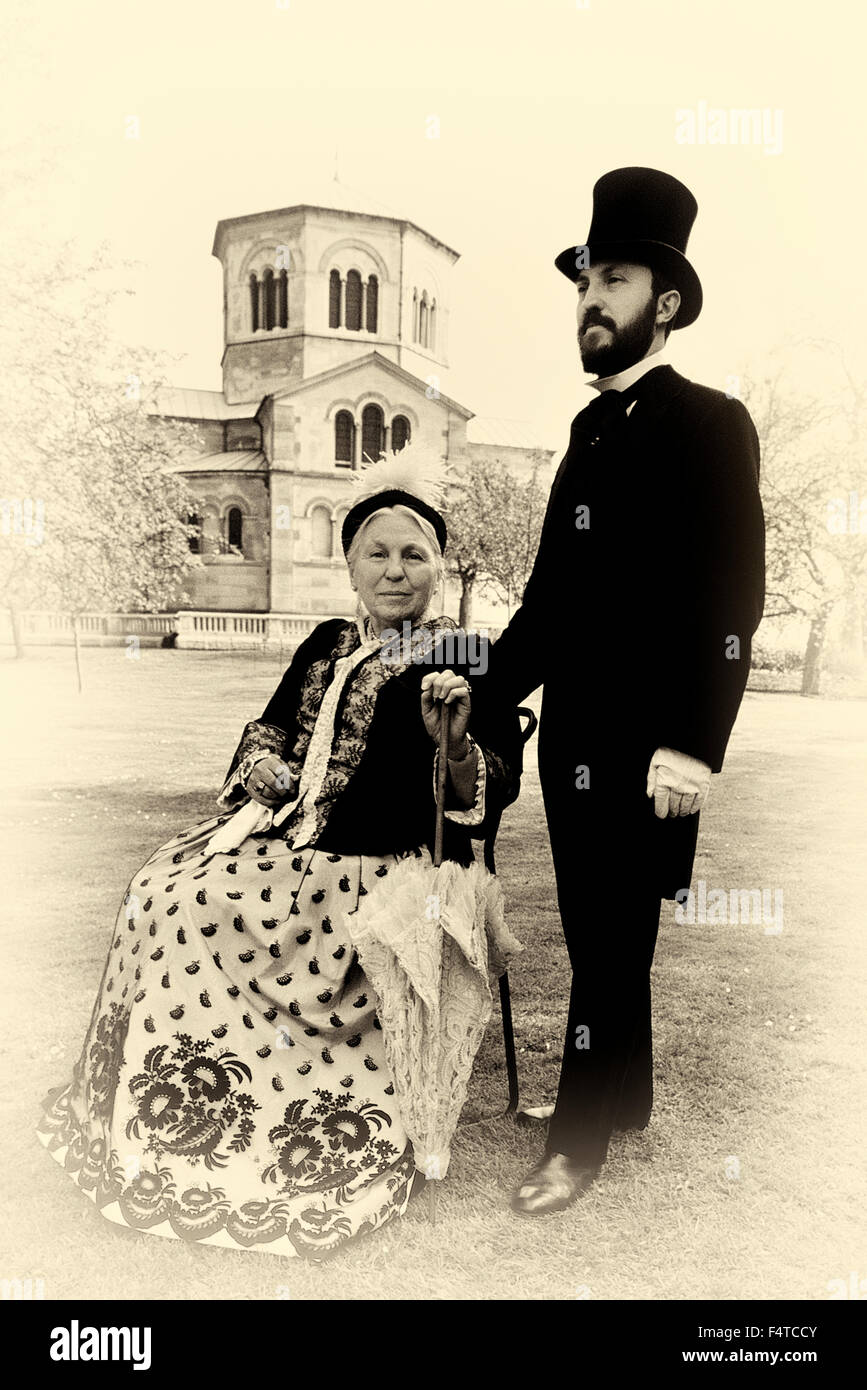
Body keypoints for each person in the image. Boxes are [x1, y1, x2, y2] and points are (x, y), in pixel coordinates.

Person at [36, 454, 522, 1260]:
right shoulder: (327, 640)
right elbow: (270, 729)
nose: (394, 570)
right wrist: (261, 764)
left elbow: (486, 792)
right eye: (377, 552)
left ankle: (293, 1124)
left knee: (247, 914)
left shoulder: (469, 656)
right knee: (161, 890)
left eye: (413, 555)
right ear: (350, 566)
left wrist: (458, 741)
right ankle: (163, 1120)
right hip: (285, 833)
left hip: (385, 861)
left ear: (439, 568)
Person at [487, 167, 766, 1215]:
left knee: (610, 941)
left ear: (668, 303)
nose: (590, 299)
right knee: (599, 927)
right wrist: (474, 689)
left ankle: (577, 1142)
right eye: (581, 281)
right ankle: (628, 1097)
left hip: (654, 747)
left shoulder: (710, 421)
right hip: (574, 744)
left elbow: (739, 596)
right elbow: (550, 606)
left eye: (613, 279)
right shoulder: (586, 431)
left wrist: (694, 744)